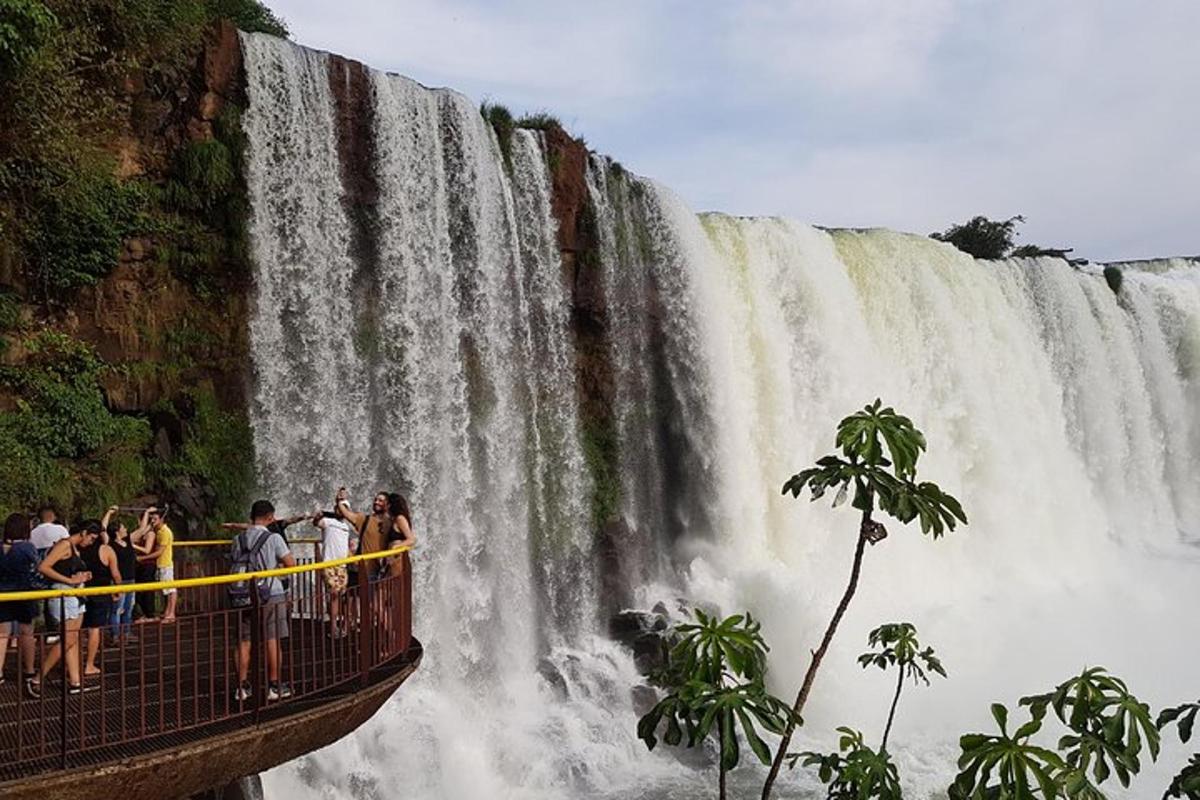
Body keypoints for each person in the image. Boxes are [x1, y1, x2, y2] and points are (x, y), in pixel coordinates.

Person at [233, 500, 295, 703]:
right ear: (270, 517)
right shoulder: (274, 538)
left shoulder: (238, 538)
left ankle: (241, 687)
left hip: (242, 594)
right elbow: (290, 564)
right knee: (272, 639)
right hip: (271, 594)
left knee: (243, 641)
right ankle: (275, 686)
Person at [31, 521, 96, 697]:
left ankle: (75, 682)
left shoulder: (74, 548)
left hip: (75, 596)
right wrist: (69, 581)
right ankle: (37, 678)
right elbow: (43, 567)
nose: (92, 542)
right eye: (91, 538)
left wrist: (82, 576)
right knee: (68, 639)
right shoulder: (64, 545)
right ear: (83, 533)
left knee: (73, 639)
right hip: (63, 594)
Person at [0, 513, 39, 695]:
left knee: (2, 633)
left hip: (2, 594)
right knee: (27, 632)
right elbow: (36, 569)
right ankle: (29, 670)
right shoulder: (26, 547)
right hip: (24, 593)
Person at [80, 520, 122, 676]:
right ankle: (89, 664)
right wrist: (118, 589)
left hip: (82, 593)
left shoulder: (79, 549)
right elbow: (116, 574)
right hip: (100, 594)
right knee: (94, 629)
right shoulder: (107, 550)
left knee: (77, 630)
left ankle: (73, 663)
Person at [102, 507, 142, 645]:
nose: (126, 529)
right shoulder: (110, 544)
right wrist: (108, 513)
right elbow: (103, 529)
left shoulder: (129, 541)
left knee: (128, 608)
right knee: (117, 609)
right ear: (117, 531)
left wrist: (148, 515)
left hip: (130, 580)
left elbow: (142, 530)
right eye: (123, 527)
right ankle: (115, 635)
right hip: (118, 581)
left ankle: (126, 633)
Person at [334, 488, 391, 582]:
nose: (376, 502)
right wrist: (339, 501)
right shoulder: (365, 519)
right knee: (356, 595)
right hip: (359, 568)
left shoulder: (391, 523)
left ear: (388, 505)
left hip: (378, 570)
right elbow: (347, 514)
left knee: (371, 596)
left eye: (380, 500)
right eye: (375, 500)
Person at [313, 507, 353, 636]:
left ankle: (342, 625)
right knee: (334, 594)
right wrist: (317, 516)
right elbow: (316, 523)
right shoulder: (328, 521)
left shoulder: (346, 527)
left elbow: (345, 546)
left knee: (342, 596)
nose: (342, 511)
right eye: (340, 508)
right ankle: (333, 626)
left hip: (342, 565)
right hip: (329, 564)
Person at [138, 507, 176, 623]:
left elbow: (159, 552)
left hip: (165, 564)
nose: (153, 521)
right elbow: (142, 530)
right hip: (160, 564)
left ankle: (171, 613)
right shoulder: (158, 531)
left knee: (170, 589)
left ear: (161, 519)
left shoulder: (165, 532)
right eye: (152, 519)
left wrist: (142, 558)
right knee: (165, 590)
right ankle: (167, 612)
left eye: (155, 519)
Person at [385, 493, 416, 579]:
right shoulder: (393, 519)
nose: (385, 506)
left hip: (398, 560)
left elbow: (411, 539)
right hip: (393, 561)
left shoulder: (400, 518)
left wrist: (396, 546)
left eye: (387, 503)